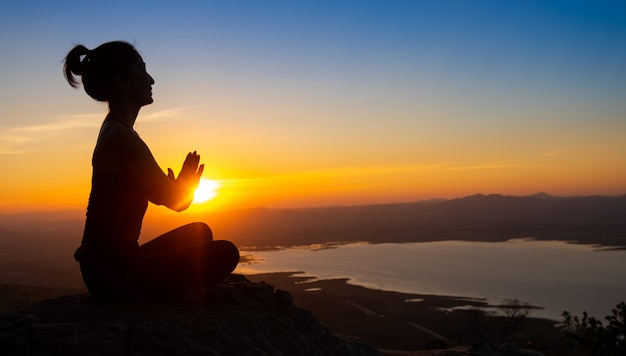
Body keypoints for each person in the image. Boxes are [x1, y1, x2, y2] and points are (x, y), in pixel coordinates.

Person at [64, 41, 240, 302]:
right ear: (122, 83)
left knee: (200, 232)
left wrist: (176, 187)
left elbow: (161, 196)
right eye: (142, 70)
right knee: (227, 253)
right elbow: (176, 202)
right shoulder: (122, 138)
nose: (151, 79)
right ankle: (172, 293)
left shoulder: (115, 131)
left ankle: (175, 288)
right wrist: (186, 185)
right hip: (113, 276)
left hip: (110, 265)